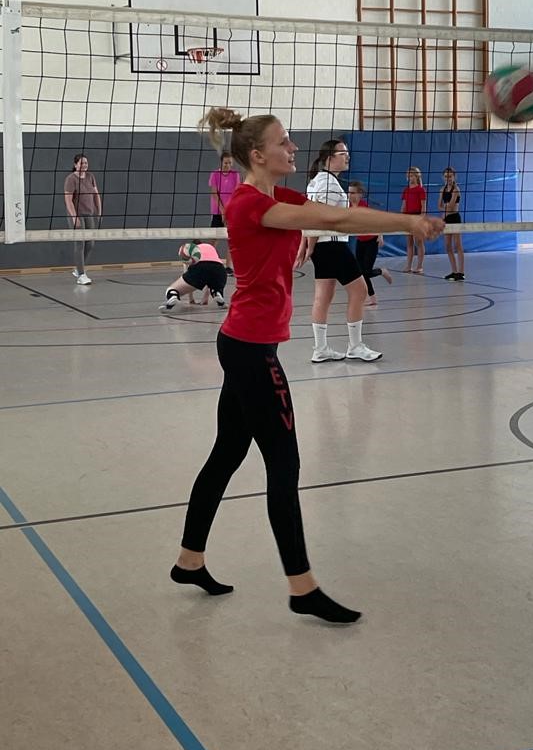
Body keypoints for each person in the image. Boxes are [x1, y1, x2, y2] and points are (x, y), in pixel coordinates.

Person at [170, 108, 443, 624]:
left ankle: (189, 561)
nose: (294, 148)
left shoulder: (280, 197)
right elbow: (337, 221)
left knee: (227, 453)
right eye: (284, 142)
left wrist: (401, 220)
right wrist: (409, 222)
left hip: (247, 343)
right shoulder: (251, 204)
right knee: (284, 464)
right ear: (258, 155)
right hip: (251, 350)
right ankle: (303, 588)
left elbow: (341, 214)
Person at [304, 141, 381, 362]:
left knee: (323, 296)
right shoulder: (328, 184)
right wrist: (309, 247)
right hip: (332, 245)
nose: (348, 157)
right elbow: (317, 218)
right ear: (330, 157)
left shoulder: (317, 181)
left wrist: (307, 247)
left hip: (323, 246)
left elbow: (307, 216)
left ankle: (320, 349)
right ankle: (355, 346)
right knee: (360, 291)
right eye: (343, 153)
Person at [348, 181, 392, 306]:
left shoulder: (364, 206)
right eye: (349, 192)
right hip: (360, 241)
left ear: (360, 194)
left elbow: (377, 220)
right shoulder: (347, 206)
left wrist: (380, 234)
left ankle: (381, 271)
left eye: (353, 193)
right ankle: (372, 299)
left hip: (372, 241)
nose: (350, 195)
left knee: (365, 272)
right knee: (360, 273)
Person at [63, 154, 102, 285]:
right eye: (81, 163)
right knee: (80, 243)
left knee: (90, 243)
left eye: (86, 163)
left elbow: (96, 194)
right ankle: (81, 274)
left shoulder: (90, 177)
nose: (84, 165)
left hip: (89, 214)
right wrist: (74, 218)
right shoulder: (71, 179)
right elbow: (68, 200)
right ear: (75, 165)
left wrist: (99, 211)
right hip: (76, 214)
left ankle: (78, 268)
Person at [159, 242, 227, 310]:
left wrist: (191, 299)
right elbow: (210, 267)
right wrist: (205, 298)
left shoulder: (190, 250)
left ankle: (173, 297)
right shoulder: (210, 247)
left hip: (200, 267)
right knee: (215, 287)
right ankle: (217, 295)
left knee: (172, 289)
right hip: (220, 269)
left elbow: (187, 275)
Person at [208, 151, 240, 274]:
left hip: (231, 211)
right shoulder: (215, 175)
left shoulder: (235, 175)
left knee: (231, 239)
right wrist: (222, 210)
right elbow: (214, 193)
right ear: (221, 162)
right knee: (214, 238)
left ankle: (229, 267)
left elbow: (237, 193)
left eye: (230, 163)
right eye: (226, 163)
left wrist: (230, 210)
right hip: (217, 211)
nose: (228, 165)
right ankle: (208, 262)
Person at [438, 167, 464, 281]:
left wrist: (445, 209)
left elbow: (452, 206)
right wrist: (445, 209)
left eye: (450, 176)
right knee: (448, 246)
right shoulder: (442, 189)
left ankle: (461, 272)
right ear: (443, 177)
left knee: (457, 245)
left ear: (454, 177)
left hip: (454, 218)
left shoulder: (456, 189)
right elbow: (439, 206)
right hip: (446, 219)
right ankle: (454, 271)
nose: (447, 178)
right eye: (446, 176)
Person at [401, 166, 427, 274]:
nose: (410, 178)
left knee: (419, 242)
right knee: (409, 242)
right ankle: (408, 266)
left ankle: (420, 266)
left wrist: (422, 218)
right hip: (408, 217)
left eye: (412, 175)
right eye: (409, 176)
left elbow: (423, 205)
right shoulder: (406, 190)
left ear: (417, 177)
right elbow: (403, 205)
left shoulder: (420, 190)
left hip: (417, 217)